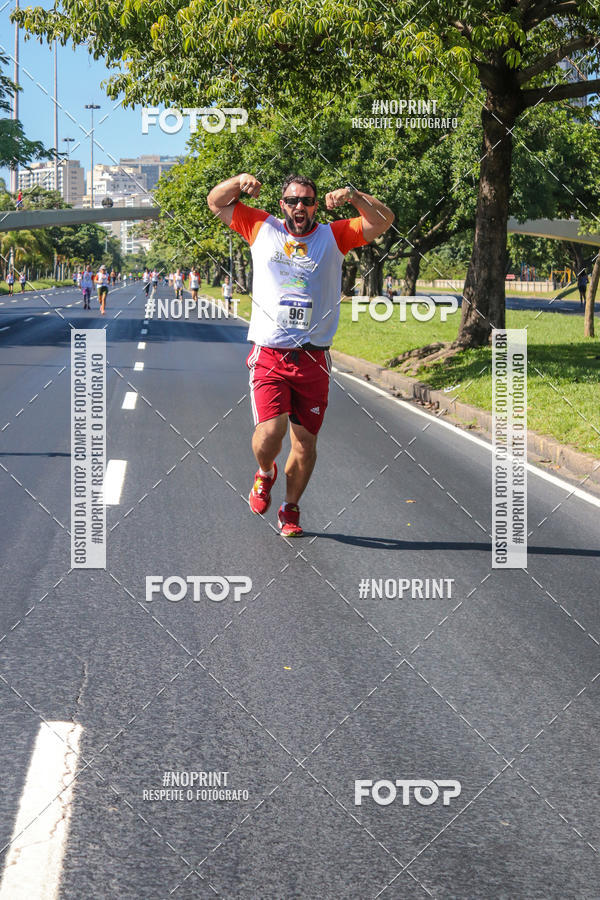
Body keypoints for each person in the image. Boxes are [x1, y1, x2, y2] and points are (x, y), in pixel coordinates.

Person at [207, 172, 394, 536]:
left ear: (314, 206)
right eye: (292, 201)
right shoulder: (262, 227)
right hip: (270, 354)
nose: (300, 207)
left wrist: (354, 195)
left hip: (313, 358)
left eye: (307, 201)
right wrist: (239, 181)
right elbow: (217, 202)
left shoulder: (333, 236)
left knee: (305, 445)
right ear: (282, 205)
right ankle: (265, 472)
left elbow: (382, 220)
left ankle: (290, 508)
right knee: (270, 434)